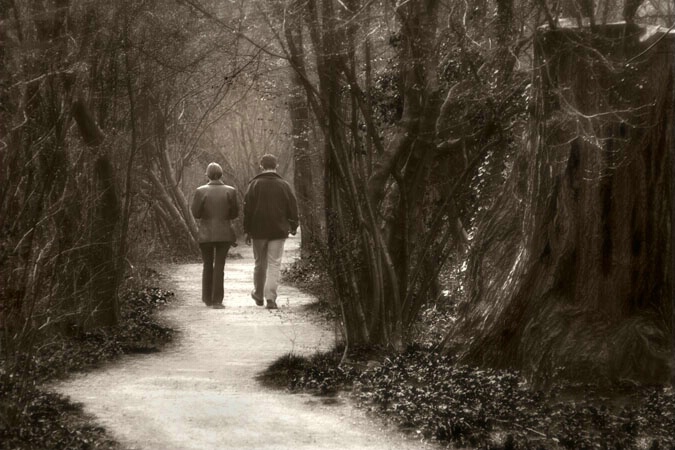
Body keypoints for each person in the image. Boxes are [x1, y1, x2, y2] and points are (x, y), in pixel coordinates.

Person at [243, 154, 298, 309]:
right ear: (277, 165)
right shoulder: (284, 185)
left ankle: (258, 295)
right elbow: (292, 207)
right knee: (274, 264)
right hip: (278, 230)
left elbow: (247, 210)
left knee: (259, 263)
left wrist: (247, 231)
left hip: (258, 230)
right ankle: (270, 298)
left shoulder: (253, 185)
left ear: (261, 166)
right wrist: (294, 225)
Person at [191, 162, 238, 309]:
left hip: (206, 234)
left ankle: (207, 298)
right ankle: (217, 300)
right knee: (219, 265)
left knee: (207, 264)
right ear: (221, 174)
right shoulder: (230, 191)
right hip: (224, 233)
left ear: (207, 175)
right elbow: (235, 214)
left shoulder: (200, 191)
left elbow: (196, 214)